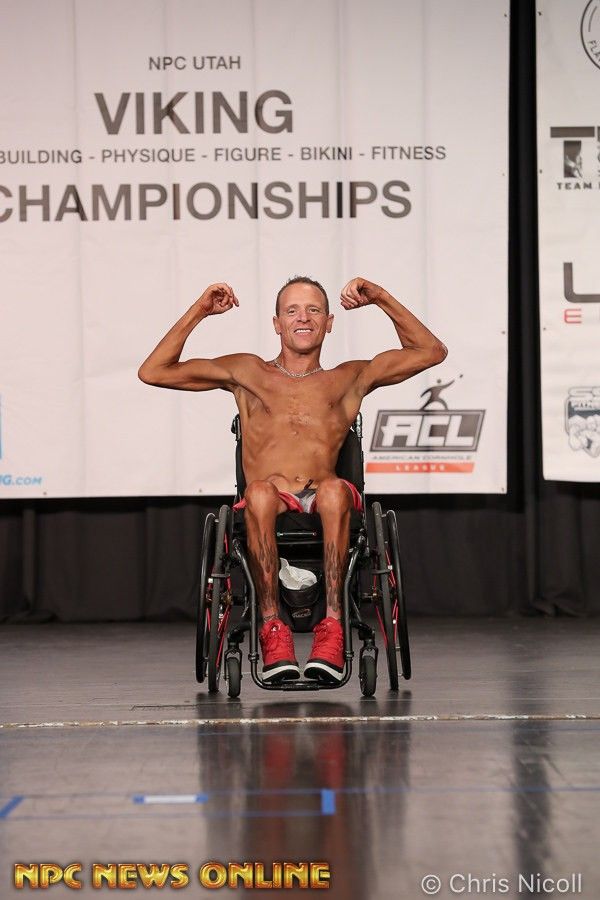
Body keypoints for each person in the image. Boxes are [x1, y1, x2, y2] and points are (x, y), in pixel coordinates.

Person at [138, 276, 447, 683]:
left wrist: (381, 298)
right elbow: (153, 371)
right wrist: (200, 310)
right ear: (277, 324)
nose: (303, 318)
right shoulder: (247, 372)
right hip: (269, 497)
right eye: (292, 311)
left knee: (334, 491)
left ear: (329, 323)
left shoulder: (349, 378)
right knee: (259, 493)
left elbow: (430, 352)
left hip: (325, 495)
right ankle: (272, 629)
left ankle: (332, 628)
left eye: (314, 310)